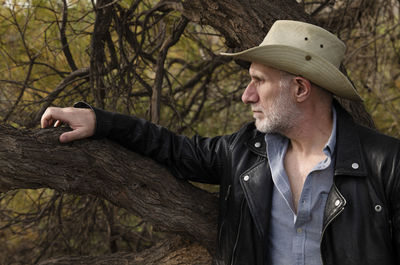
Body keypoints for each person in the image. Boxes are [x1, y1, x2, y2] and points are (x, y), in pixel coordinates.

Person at [41, 20, 400, 265]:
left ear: (300, 88)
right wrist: (100, 121)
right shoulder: (245, 153)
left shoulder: (386, 164)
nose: (247, 95)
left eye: (259, 81)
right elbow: (172, 148)